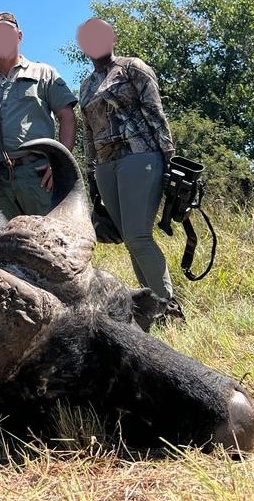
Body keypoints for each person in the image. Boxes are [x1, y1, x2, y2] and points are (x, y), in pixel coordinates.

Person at [77, 17, 182, 315]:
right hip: (105, 166)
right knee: (130, 240)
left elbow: (155, 113)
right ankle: (150, 309)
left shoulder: (132, 67)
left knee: (138, 236)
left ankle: (168, 307)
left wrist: (169, 157)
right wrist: (91, 175)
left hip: (140, 155)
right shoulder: (86, 85)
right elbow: (88, 131)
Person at [0, 11, 77, 217]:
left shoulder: (44, 73)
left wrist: (62, 163)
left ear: (19, 36)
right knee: (4, 246)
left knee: (53, 243)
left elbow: (67, 116)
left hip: (39, 176)